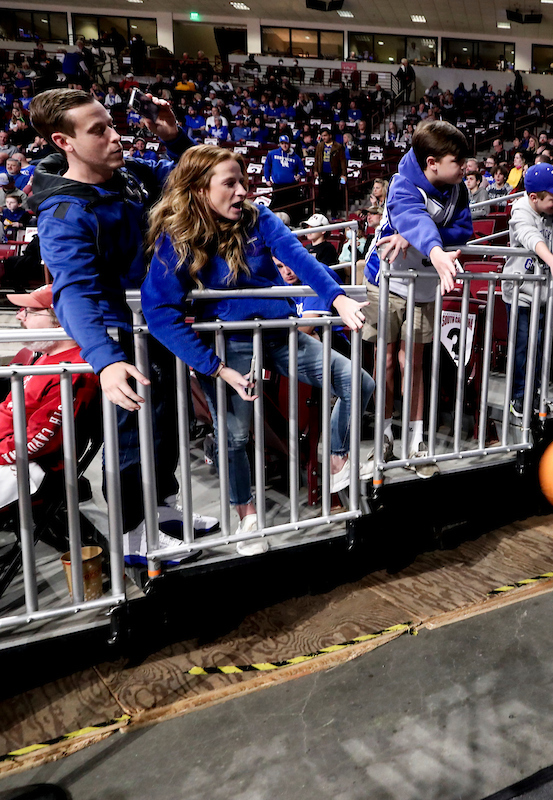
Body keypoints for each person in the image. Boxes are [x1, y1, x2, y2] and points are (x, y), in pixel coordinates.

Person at [141, 146, 374, 553]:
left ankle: (336, 459)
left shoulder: (258, 217)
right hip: (226, 344)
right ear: (199, 190)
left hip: (278, 331)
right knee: (234, 437)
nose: (241, 191)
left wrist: (336, 299)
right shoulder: (176, 237)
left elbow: (300, 260)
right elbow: (159, 313)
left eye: (243, 182)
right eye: (229, 184)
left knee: (357, 381)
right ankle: (247, 518)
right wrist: (215, 368)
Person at [30, 87, 210, 566]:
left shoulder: (127, 177)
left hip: (157, 326)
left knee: (169, 425)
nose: (115, 136)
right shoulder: (65, 211)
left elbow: (188, 182)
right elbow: (73, 292)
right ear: (62, 142)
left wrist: (174, 139)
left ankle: (162, 514)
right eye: (98, 131)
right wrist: (106, 360)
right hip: (119, 334)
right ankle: (132, 535)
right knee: (131, 437)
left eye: (110, 124)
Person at [361, 120, 469, 477]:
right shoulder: (402, 183)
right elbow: (411, 217)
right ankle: (385, 435)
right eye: (458, 161)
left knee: (414, 363)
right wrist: (430, 245)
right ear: (432, 162)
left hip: (424, 285)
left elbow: (462, 230)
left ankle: (417, 440)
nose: (465, 167)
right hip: (385, 280)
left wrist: (415, 239)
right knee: (388, 361)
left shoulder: (458, 188)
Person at [0, 284, 100, 512]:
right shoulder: (47, 356)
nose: (19, 315)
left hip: (27, 466)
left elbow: (37, 442)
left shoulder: (73, 371)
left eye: (29, 311)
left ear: (60, 318)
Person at [501, 163, 553, 416]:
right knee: (521, 346)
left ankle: (535, 392)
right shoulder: (520, 210)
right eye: (552, 198)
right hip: (520, 293)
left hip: (543, 294)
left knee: (540, 345)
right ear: (534, 197)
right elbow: (531, 236)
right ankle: (518, 396)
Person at [265, 134, 306, 218]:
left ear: (289, 144)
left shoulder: (296, 157)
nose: (284, 145)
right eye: (282, 143)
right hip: (278, 186)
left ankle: (293, 223)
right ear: (280, 144)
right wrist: (267, 178)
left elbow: (303, 171)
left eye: (286, 143)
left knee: (293, 207)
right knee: (275, 206)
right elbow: (267, 166)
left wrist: (299, 175)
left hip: (291, 186)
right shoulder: (272, 154)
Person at [313, 128, 346, 219]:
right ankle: (322, 215)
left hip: (334, 174)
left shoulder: (338, 147)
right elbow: (317, 159)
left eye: (325, 135)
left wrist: (343, 174)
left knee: (333, 195)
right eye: (322, 136)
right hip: (322, 173)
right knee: (322, 195)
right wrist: (315, 170)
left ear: (330, 135)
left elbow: (342, 161)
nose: (324, 137)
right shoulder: (320, 146)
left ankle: (334, 214)